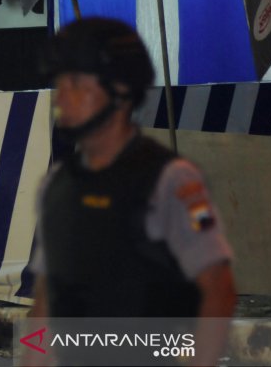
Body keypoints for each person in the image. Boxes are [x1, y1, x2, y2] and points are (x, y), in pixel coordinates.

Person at [28, 18, 236, 364]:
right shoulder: (56, 186)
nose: (61, 97)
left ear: (121, 90)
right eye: (58, 83)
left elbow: (219, 289)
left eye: (76, 83)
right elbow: (45, 299)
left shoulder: (172, 181)